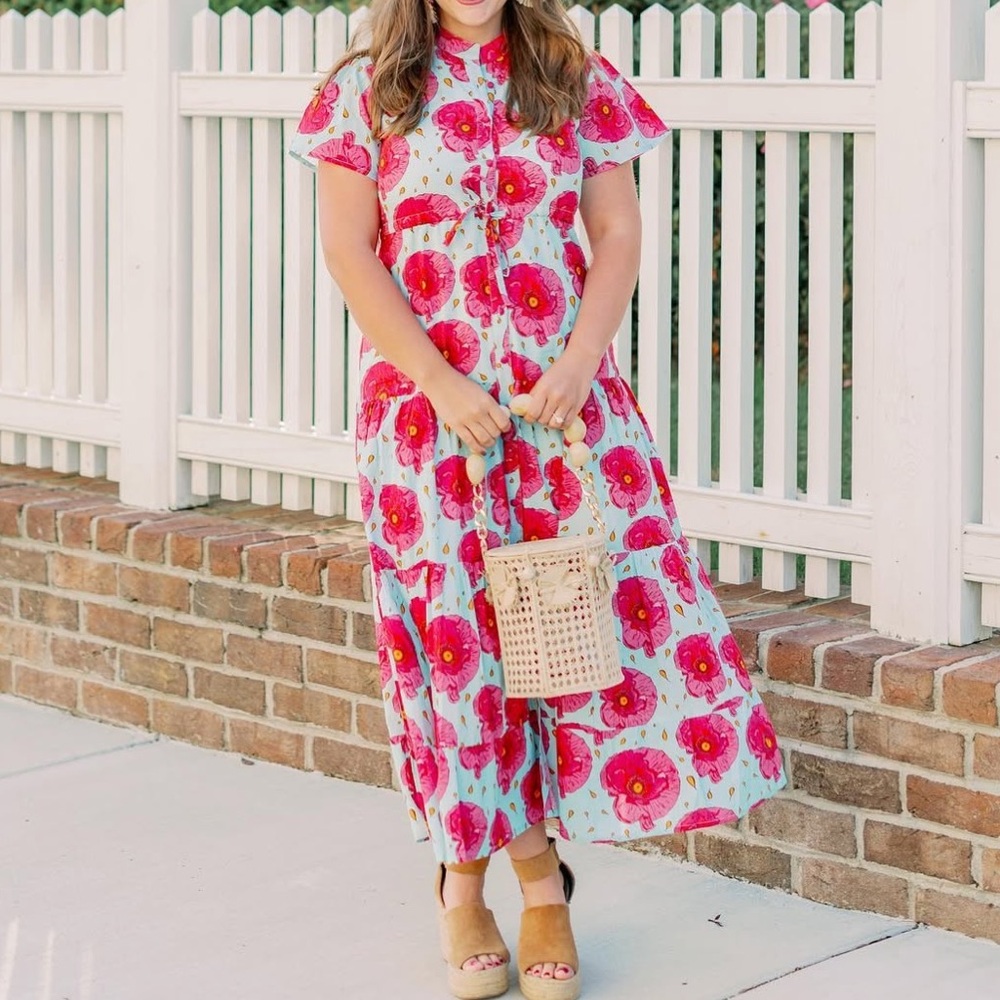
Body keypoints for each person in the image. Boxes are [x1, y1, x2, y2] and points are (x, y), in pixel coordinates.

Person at [289, 0, 786, 997]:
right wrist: (441, 383)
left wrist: (578, 362)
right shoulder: (364, 92)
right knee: (460, 654)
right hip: (430, 425)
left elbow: (617, 229)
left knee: (567, 648)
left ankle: (525, 882)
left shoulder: (571, 76)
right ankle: (486, 882)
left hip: (564, 420)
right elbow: (350, 250)